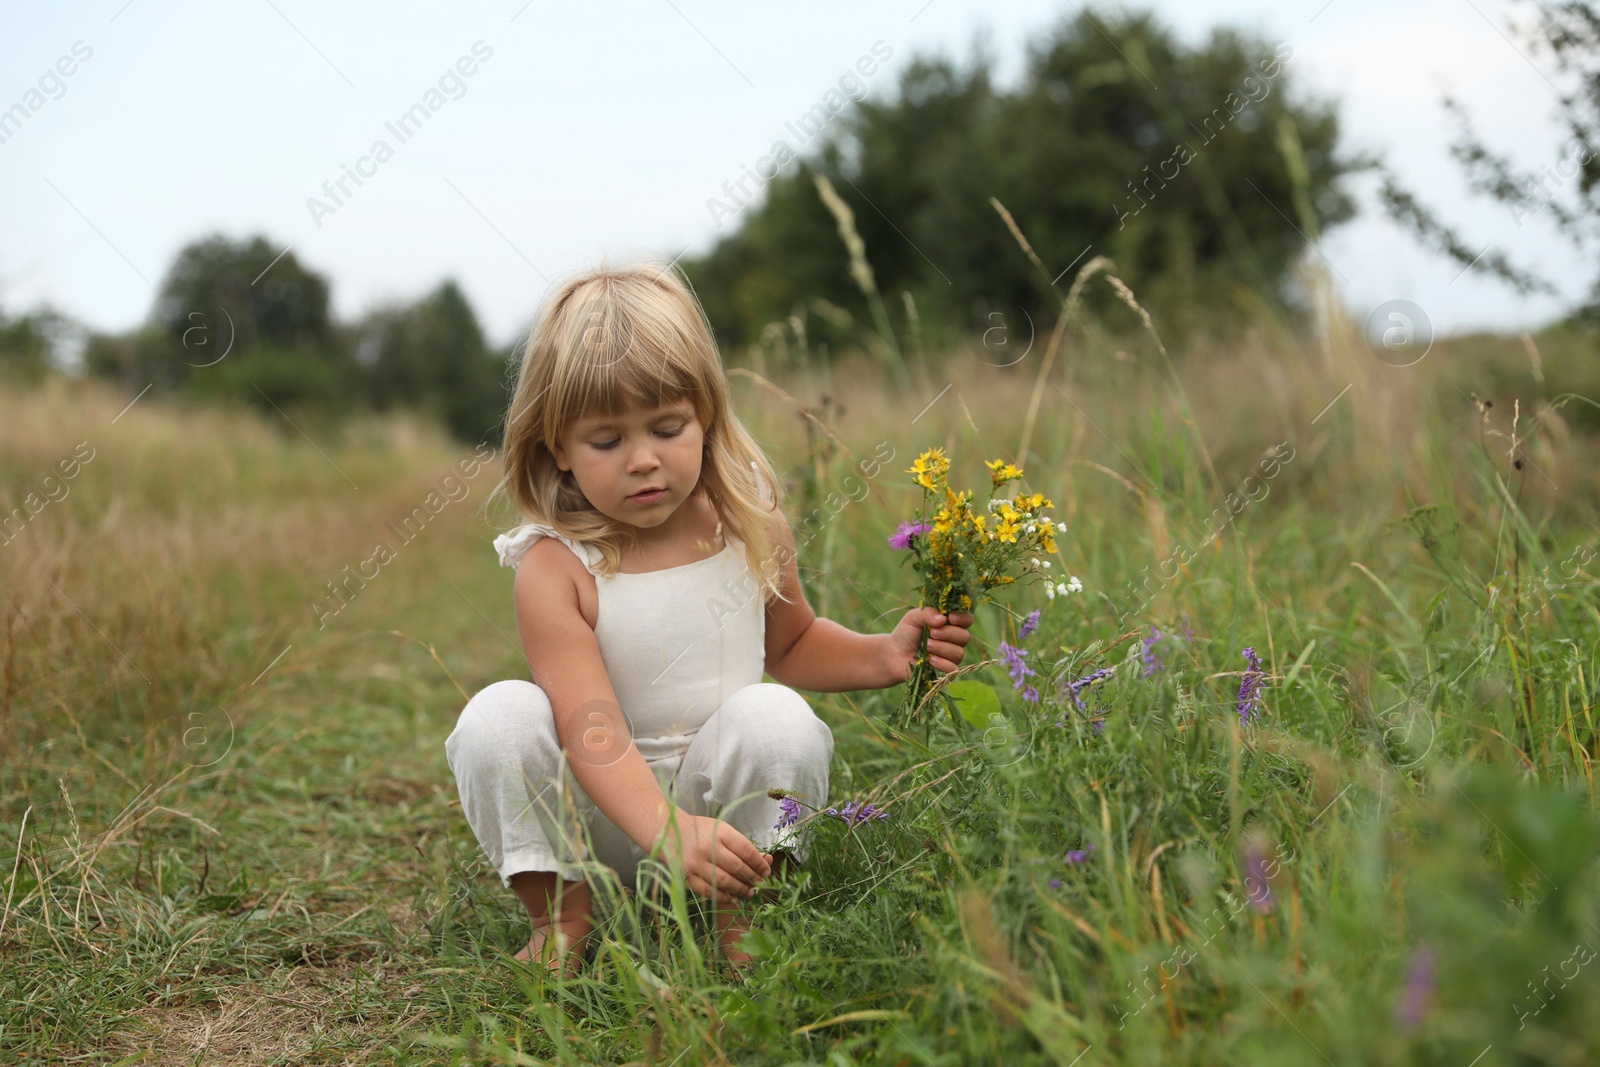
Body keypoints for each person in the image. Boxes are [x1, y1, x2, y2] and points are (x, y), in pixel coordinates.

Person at [444, 259, 975, 977]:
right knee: (494, 717)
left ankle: (743, 923)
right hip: (600, 816)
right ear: (556, 446)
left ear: (707, 417)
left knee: (776, 716)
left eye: (668, 427)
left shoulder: (746, 523)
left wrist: (884, 656)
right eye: (607, 440)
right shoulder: (555, 564)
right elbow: (588, 724)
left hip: (723, 811)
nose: (643, 460)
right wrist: (664, 830)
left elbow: (791, 643)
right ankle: (563, 913)